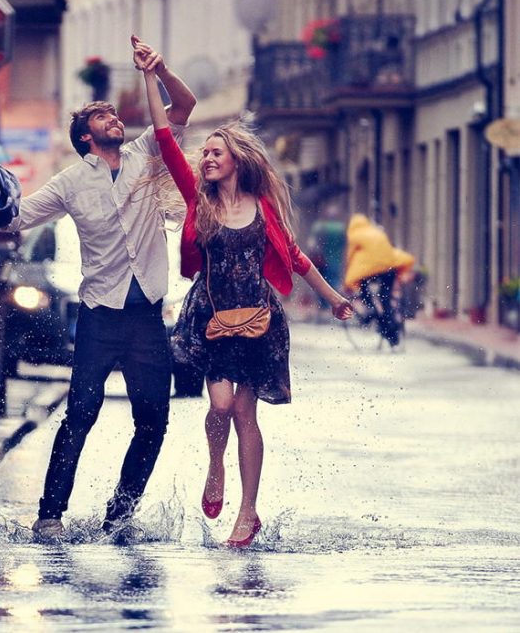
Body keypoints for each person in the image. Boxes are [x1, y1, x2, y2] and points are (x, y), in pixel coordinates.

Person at [0, 36, 197, 540]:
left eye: (114, 114)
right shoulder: (71, 182)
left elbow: (185, 106)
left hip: (147, 317)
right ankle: (50, 514)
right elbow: (17, 216)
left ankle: (120, 513)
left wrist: (157, 70)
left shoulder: (147, 153)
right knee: (80, 416)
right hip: (99, 317)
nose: (114, 118)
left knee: (154, 420)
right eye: (103, 117)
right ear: (86, 136)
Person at [137, 48, 353, 548]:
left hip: (259, 321)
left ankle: (248, 511)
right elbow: (166, 136)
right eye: (205, 153)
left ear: (236, 160)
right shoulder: (199, 199)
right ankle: (216, 466)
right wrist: (153, 75)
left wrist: (333, 298)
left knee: (243, 412)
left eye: (216, 152)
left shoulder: (262, 207)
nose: (207, 158)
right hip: (210, 319)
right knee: (218, 404)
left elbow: (295, 258)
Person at [343, 213, 415, 346]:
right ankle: (391, 326)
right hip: (389, 267)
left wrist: (348, 276)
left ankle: (371, 309)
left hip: (370, 270)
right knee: (385, 297)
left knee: (363, 287)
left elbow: (350, 256)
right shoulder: (377, 232)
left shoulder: (354, 235)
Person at [307, 203, 346, 312]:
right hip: (337, 261)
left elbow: (312, 245)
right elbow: (344, 245)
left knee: (321, 283)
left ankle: (323, 308)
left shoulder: (319, 226)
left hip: (322, 261)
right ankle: (335, 306)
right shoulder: (341, 228)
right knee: (334, 282)